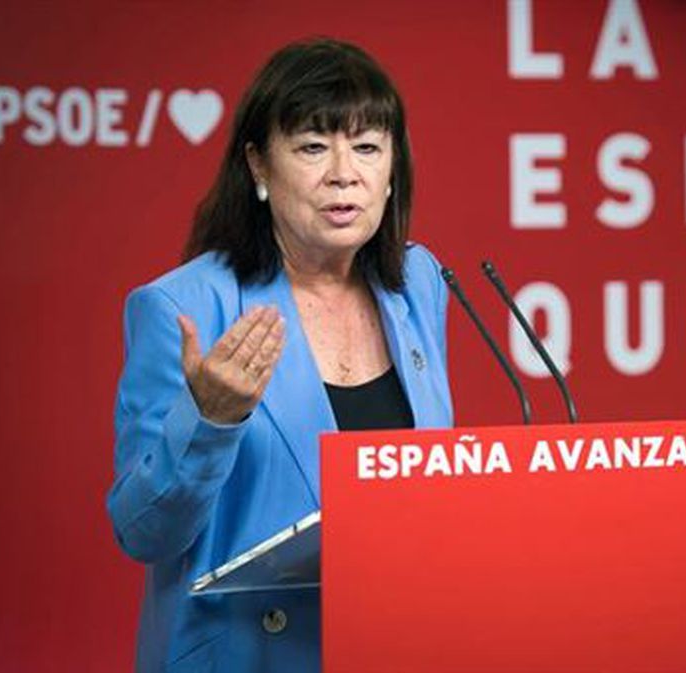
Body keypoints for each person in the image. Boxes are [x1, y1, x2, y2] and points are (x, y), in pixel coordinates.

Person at [107, 38, 453, 672]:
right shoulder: (182, 308)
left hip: (390, 641)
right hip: (251, 654)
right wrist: (209, 422)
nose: (344, 172)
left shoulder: (417, 283)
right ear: (259, 167)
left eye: (368, 148)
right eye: (313, 147)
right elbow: (142, 531)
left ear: (392, 169)